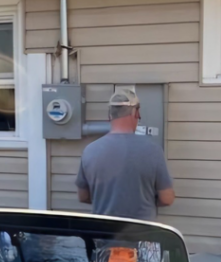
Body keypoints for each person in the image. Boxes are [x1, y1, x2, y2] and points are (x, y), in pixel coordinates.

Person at [75, 89, 175, 220]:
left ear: (110, 115)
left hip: (103, 236)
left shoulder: (90, 150)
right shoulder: (153, 150)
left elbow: (83, 196)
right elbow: (167, 198)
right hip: (141, 236)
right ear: (136, 112)